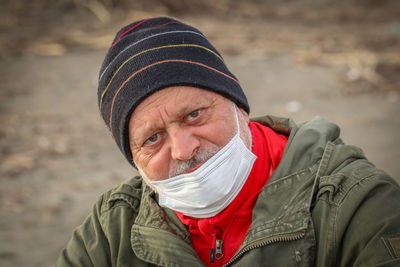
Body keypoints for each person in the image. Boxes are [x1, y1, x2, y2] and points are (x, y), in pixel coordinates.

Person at [55, 17, 400, 267]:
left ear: (238, 107)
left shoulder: (354, 205)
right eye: (153, 138)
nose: (183, 149)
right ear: (133, 159)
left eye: (194, 115)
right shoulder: (111, 230)